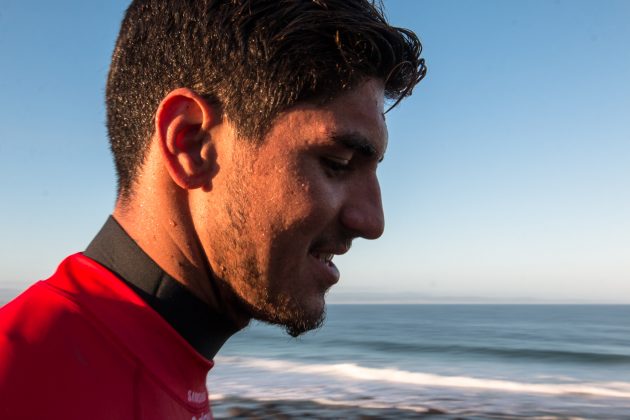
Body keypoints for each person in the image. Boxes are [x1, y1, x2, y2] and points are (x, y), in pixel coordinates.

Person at [0, 0, 425, 418]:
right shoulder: (19, 379)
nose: (372, 222)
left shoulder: (158, 361)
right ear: (190, 145)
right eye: (337, 163)